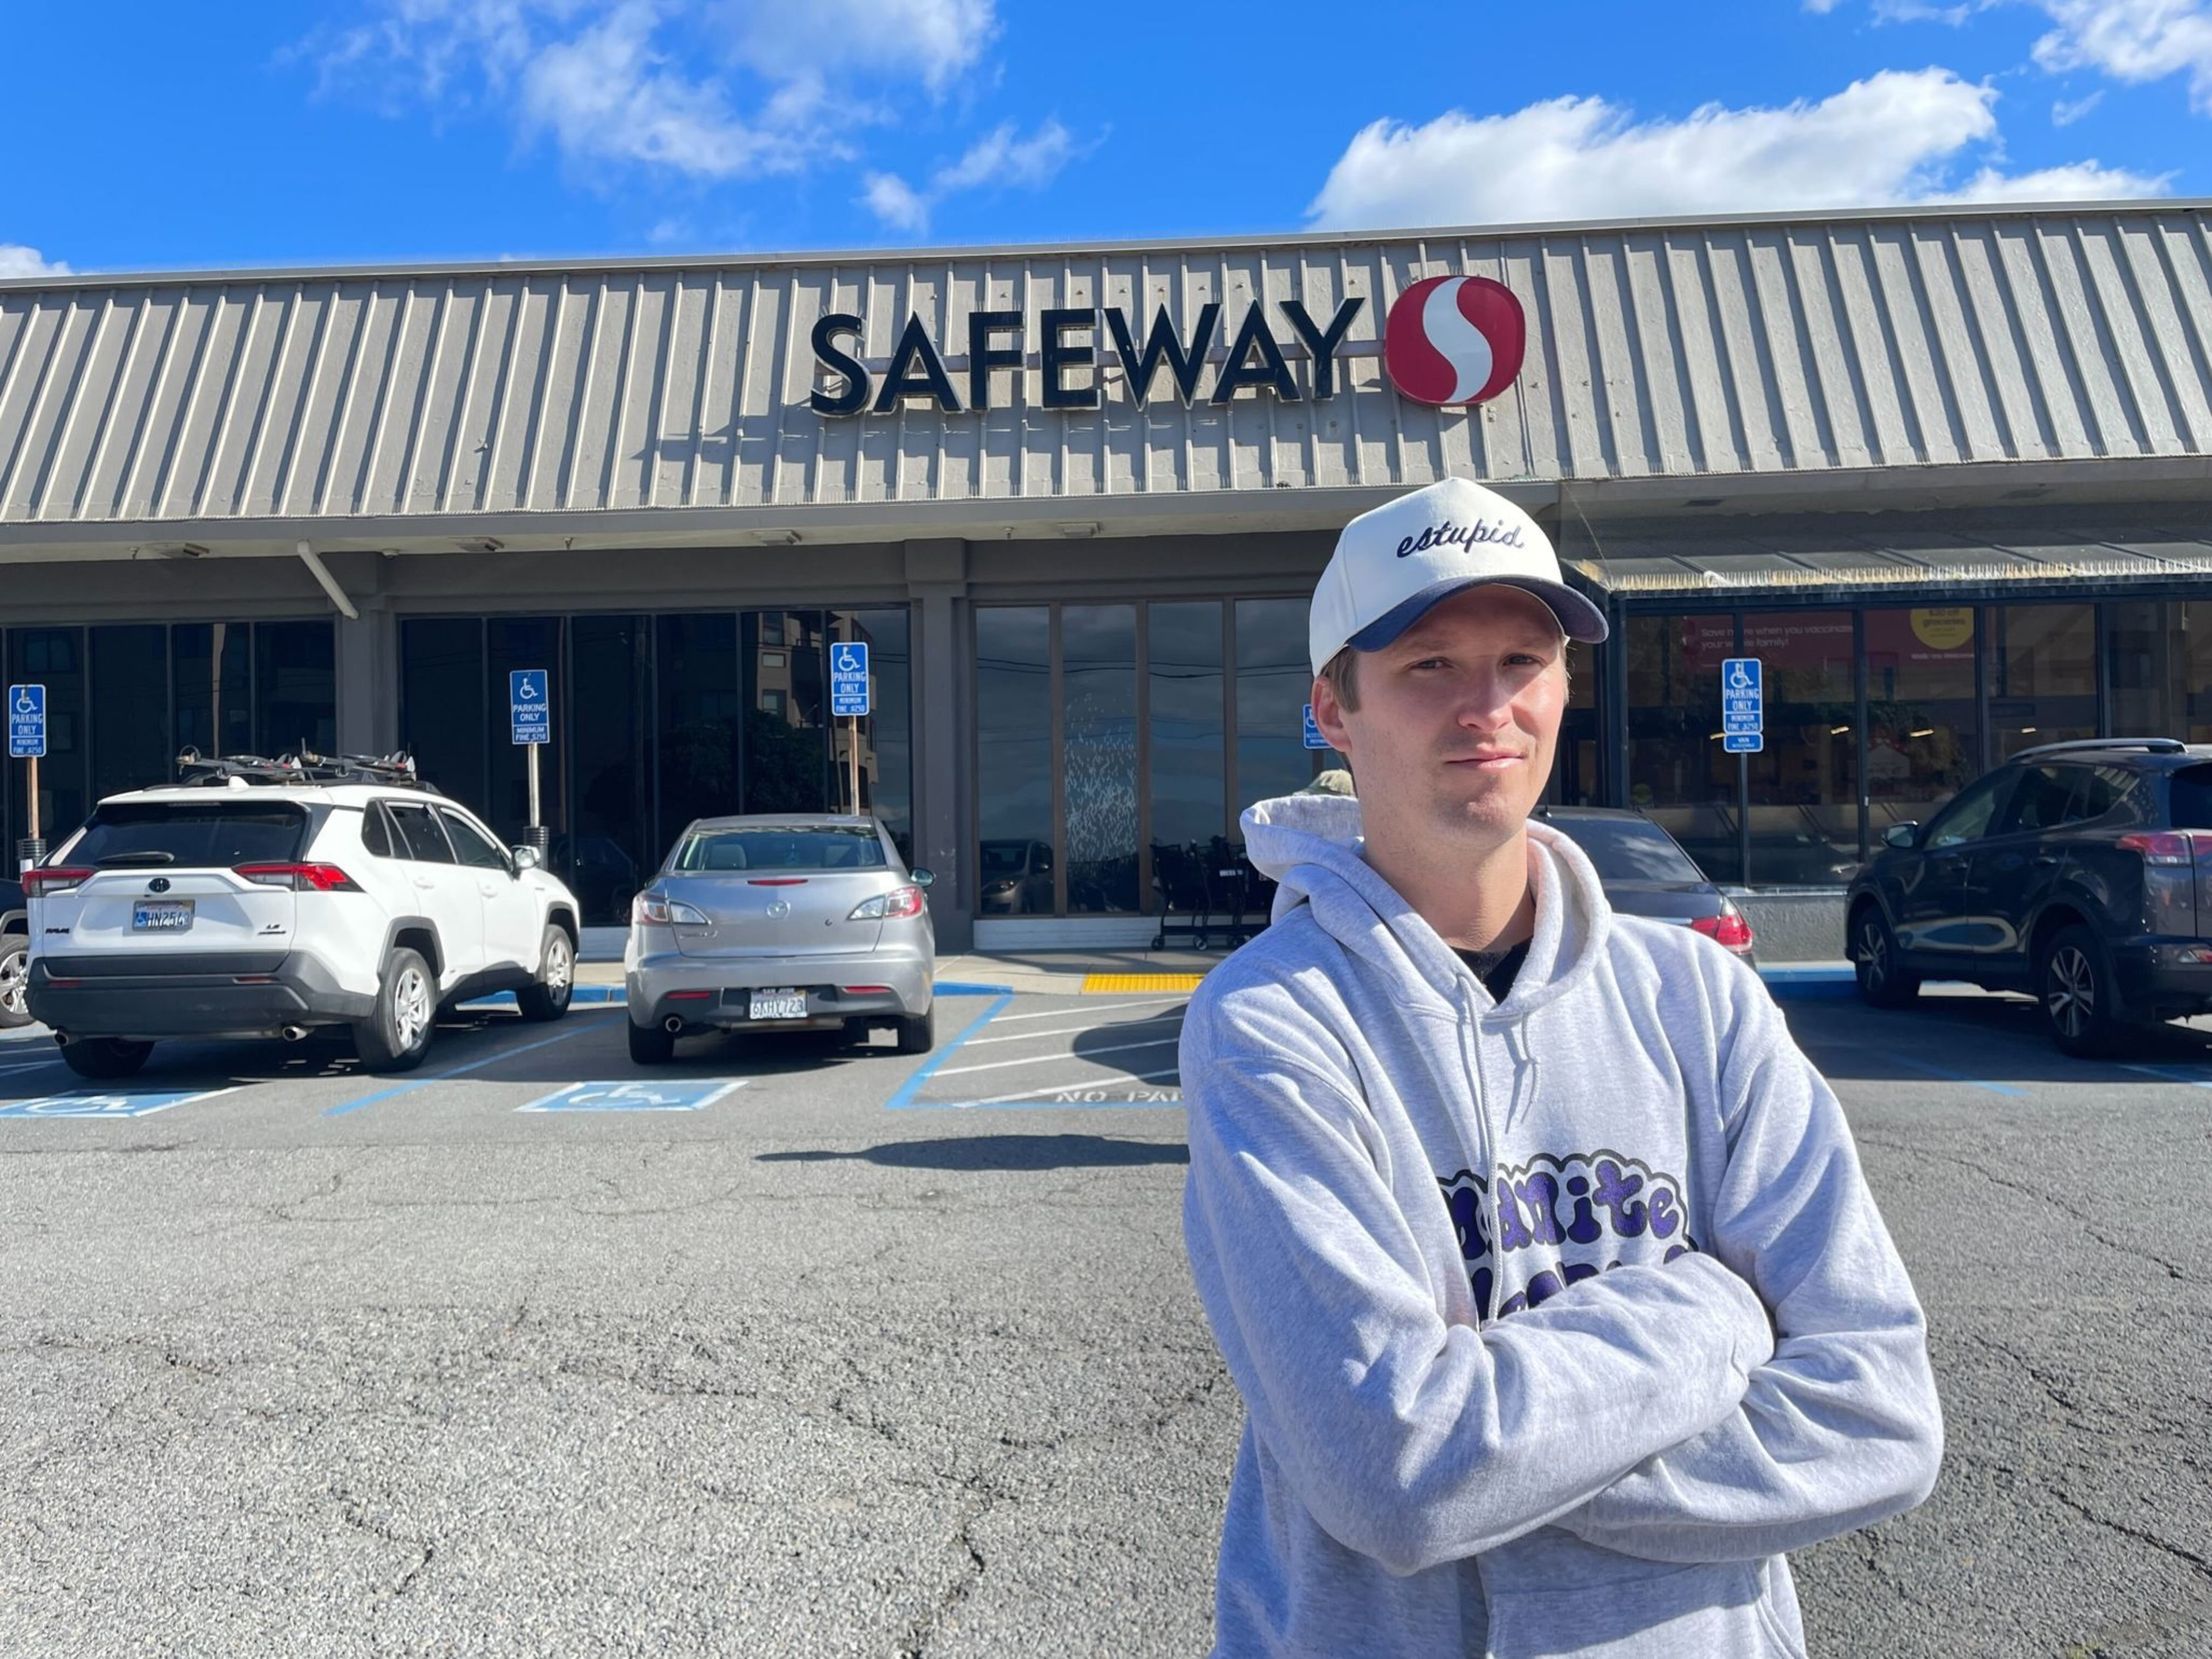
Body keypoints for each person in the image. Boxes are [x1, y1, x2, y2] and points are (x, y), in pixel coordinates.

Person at [1179, 475, 1941, 1658]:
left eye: (1520, 662)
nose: (1486, 707)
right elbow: (1394, 1475)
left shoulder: (1699, 999)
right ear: (1333, 709)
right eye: (1427, 665)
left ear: (1565, 688)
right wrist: (1708, 1311)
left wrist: (1495, 1463)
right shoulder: (1272, 1023)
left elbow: (1877, 1415)